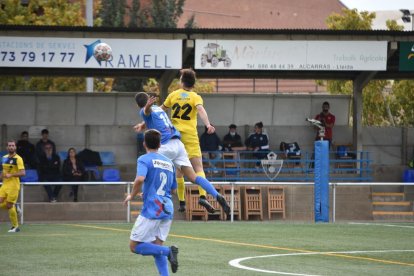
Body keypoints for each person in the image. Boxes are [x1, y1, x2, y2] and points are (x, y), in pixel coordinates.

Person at [134, 92, 230, 216]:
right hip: (178, 145)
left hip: (164, 146)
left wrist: (146, 107)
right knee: (194, 177)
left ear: (138, 105)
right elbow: (151, 116)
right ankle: (217, 195)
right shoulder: (158, 109)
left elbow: (146, 112)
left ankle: (157, 201)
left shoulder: (144, 111)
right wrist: (144, 122)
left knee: (150, 169)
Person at [123, 129, 179, 275]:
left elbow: (140, 179)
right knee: (156, 246)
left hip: (152, 210)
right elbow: (173, 189)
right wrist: (148, 193)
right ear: (160, 144)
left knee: (134, 246)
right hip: (167, 209)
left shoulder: (144, 159)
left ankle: (169, 251)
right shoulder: (169, 163)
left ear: (144, 143)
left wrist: (131, 195)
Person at [161, 68, 217, 212]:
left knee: (179, 170)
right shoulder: (195, 97)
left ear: (181, 81)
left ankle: (181, 202)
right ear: (193, 83)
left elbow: (160, 111)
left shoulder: (173, 95)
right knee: (198, 168)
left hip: (175, 137)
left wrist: (145, 121)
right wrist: (208, 124)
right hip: (190, 135)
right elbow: (200, 110)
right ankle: (203, 196)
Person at [0, 140, 25, 233]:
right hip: (5, 184)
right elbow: (3, 171)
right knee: (3, 203)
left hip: (13, 185)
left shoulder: (18, 159)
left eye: (13, 145)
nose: (11, 147)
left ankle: (15, 227)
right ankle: (15, 205)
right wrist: (1, 177)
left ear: (15, 147)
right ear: (7, 147)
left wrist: (11, 175)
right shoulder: (4, 157)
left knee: (9, 205)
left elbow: (23, 173)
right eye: (9, 145)